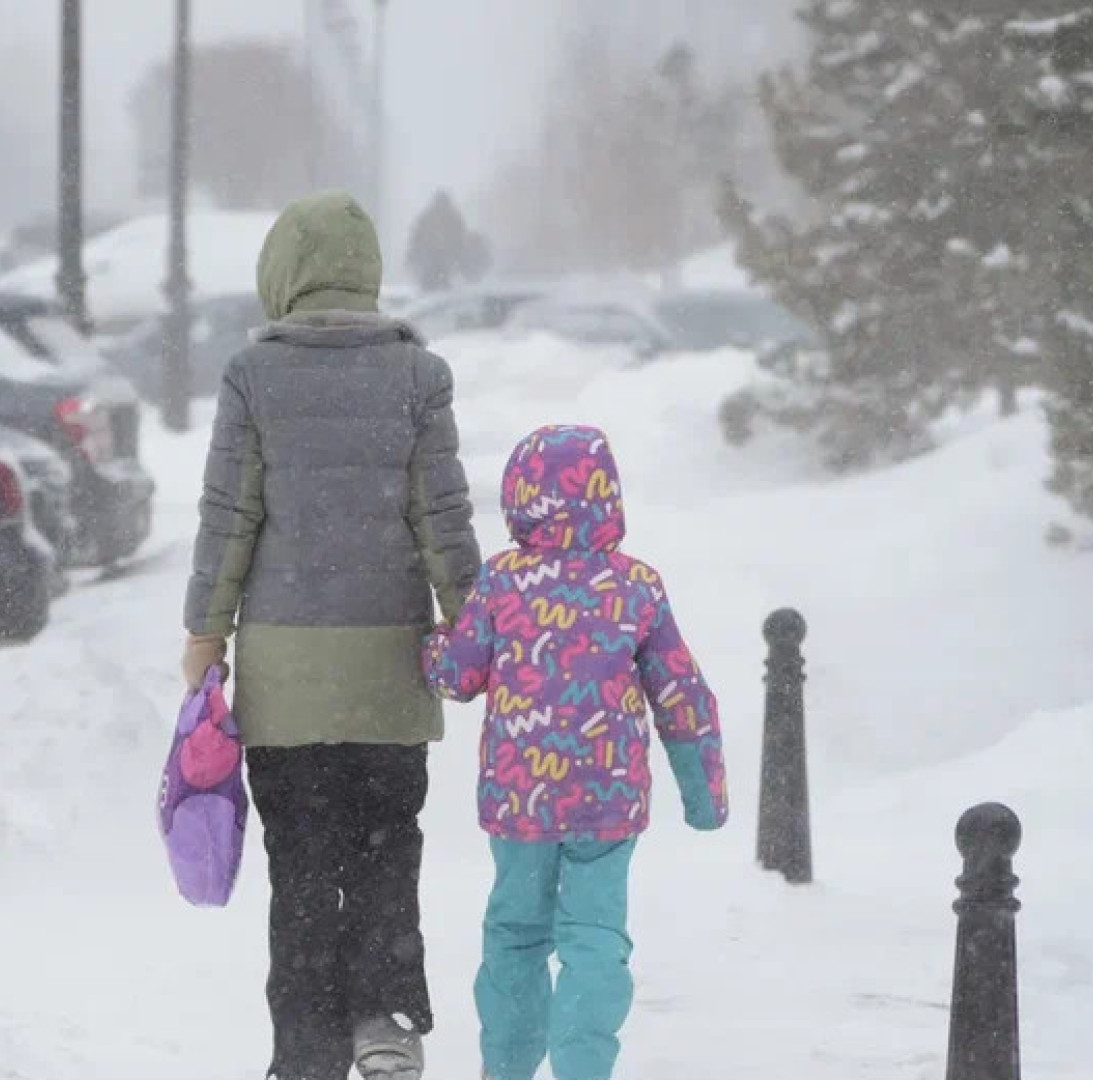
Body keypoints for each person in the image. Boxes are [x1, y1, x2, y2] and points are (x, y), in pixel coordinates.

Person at [182, 189, 481, 1080]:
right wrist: (475, 626)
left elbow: (228, 518)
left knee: (303, 866)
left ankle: (305, 1049)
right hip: (391, 672)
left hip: (286, 679)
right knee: (388, 847)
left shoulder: (252, 375)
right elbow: (445, 519)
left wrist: (206, 636)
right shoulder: (418, 377)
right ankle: (386, 1019)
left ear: (283, 277)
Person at [422, 423, 728, 1080]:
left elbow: (458, 677)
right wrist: (704, 798)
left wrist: (430, 646)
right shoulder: (636, 586)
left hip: (518, 797)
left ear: (521, 501)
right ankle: (584, 1066)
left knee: (516, 934)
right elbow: (682, 692)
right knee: (594, 939)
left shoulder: (503, 583)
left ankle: (505, 1067)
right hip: (607, 799)